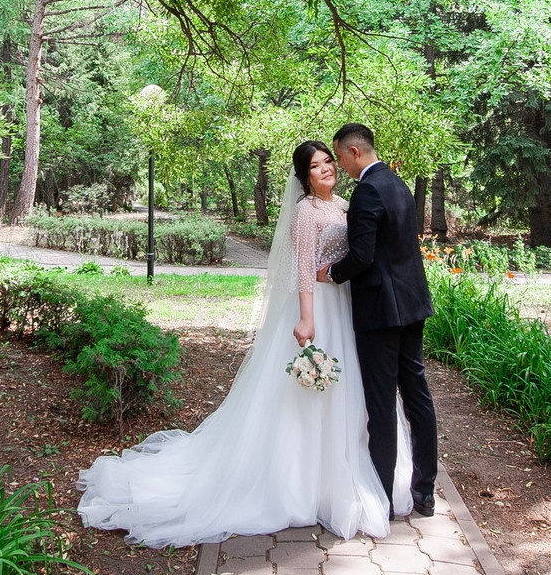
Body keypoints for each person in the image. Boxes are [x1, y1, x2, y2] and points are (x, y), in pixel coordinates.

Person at [76, 140, 404, 546]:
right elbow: (304, 269)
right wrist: (306, 318)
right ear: (303, 177)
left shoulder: (342, 204)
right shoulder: (305, 211)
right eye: (315, 166)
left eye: (328, 162)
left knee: (345, 393)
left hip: (345, 306)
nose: (326, 169)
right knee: (307, 399)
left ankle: (338, 474)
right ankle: (301, 484)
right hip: (318, 306)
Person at [318, 122, 440, 517]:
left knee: (382, 402)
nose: (339, 165)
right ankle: (424, 492)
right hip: (412, 305)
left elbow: (363, 255)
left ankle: (382, 498)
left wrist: (331, 273)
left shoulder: (368, 190)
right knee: (417, 396)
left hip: (380, 312)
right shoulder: (398, 184)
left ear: (354, 152)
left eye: (339, 157)